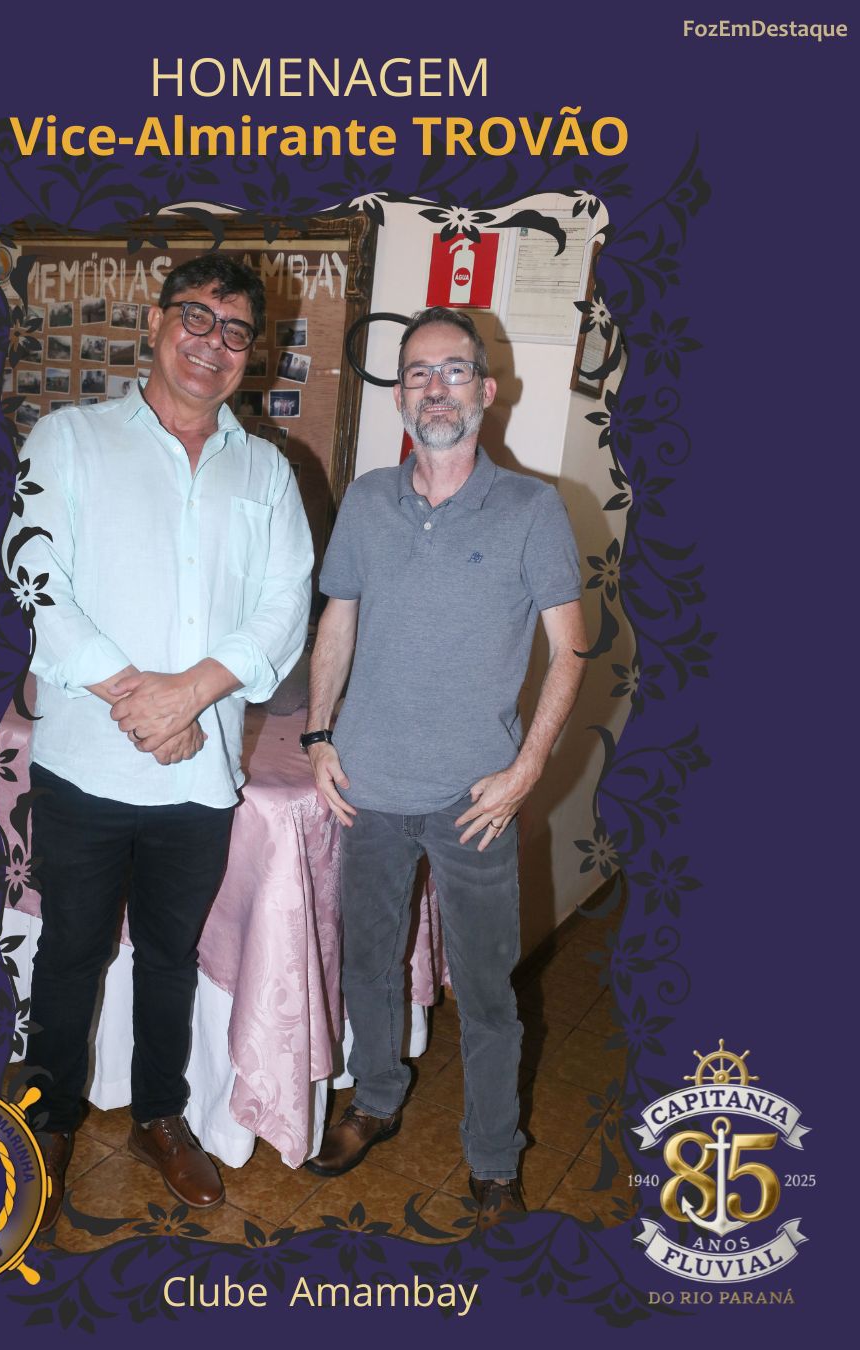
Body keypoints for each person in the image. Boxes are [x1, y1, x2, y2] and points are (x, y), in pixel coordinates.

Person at [3, 256, 313, 1232]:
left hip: (199, 775)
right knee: (72, 950)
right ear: (155, 321)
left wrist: (192, 697)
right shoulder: (69, 439)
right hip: (87, 762)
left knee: (172, 956)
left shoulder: (267, 471)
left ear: (251, 354)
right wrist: (140, 700)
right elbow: (36, 579)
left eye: (236, 332)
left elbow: (284, 608)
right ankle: (49, 1114)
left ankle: (158, 1116)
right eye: (197, 318)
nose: (212, 344)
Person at [301, 306, 587, 1225]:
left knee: (489, 992)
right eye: (418, 373)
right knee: (368, 966)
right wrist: (318, 735)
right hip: (369, 789)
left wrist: (527, 769)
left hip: (476, 801)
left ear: (486, 390)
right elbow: (338, 620)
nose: (436, 388)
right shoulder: (366, 501)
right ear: (399, 394)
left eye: (454, 370)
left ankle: (494, 1156)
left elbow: (571, 651)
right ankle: (377, 1099)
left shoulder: (533, 509)